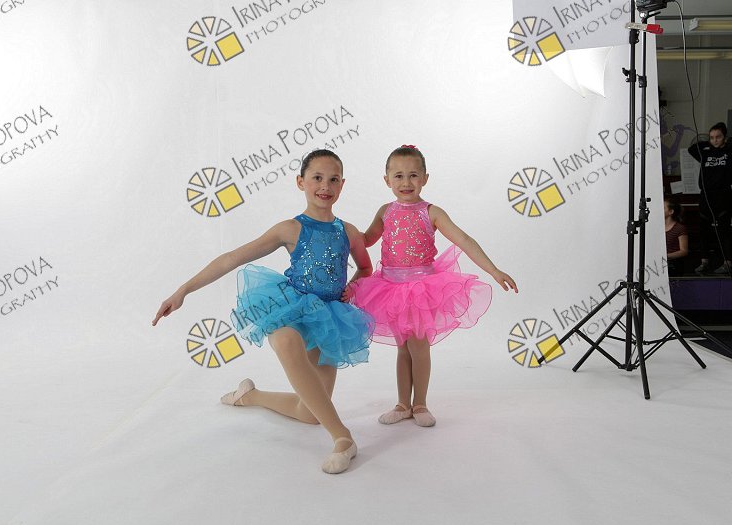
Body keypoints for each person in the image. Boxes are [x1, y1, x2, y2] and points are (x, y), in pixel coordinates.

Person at [152, 149, 374, 474]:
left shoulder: (349, 232)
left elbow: (366, 268)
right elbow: (232, 258)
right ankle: (343, 438)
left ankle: (251, 396)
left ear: (342, 184)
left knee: (310, 413)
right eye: (317, 178)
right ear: (300, 182)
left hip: (329, 317)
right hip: (291, 309)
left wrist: (351, 288)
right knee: (284, 340)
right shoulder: (290, 229)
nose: (325, 186)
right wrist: (183, 290)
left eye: (333, 179)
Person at [347, 145, 517, 427]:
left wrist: (494, 270)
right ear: (387, 180)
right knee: (403, 348)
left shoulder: (431, 212)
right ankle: (403, 404)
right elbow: (365, 240)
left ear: (425, 178)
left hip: (421, 290)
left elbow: (463, 240)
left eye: (413, 175)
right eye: (398, 176)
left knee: (418, 347)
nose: (406, 182)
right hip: (390, 288)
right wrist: (343, 231)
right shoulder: (385, 211)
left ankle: (421, 404)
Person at [688, 122, 732, 275]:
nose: (715, 140)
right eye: (711, 137)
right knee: (703, 230)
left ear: (724, 137)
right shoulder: (705, 151)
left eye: (718, 137)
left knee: (724, 231)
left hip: (723, 195)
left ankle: (727, 263)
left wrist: (727, 143)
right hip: (706, 195)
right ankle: (704, 262)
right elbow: (692, 149)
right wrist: (709, 144)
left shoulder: (729, 151)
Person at [664, 195, 688, 276]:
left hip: (673, 265)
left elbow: (684, 251)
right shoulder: (658, 228)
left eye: (663, 208)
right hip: (659, 264)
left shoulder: (679, 228)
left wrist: (666, 256)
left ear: (671, 212)